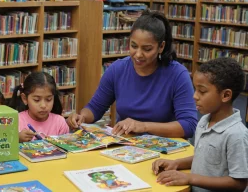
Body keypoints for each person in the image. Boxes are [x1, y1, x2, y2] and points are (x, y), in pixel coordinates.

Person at [67, 9, 197, 138]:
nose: (138, 54)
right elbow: (95, 108)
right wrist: (82, 117)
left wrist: (143, 126)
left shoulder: (177, 74)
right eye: (134, 46)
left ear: (161, 47)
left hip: (165, 150)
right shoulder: (117, 69)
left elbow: (189, 125)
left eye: (147, 49)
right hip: (125, 146)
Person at [152, 57, 248, 192]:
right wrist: (176, 163)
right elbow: (203, 158)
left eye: (202, 91)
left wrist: (190, 178)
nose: (194, 96)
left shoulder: (236, 135)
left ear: (226, 95)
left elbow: (239, 183)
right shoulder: (204, 121)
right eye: (195, 89)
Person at [8, 72, 69, 142]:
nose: (43, 105)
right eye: (37, 100)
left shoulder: (60, 123)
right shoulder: (15, 121)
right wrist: (16, 138)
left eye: (48, 99)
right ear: (25, 99)